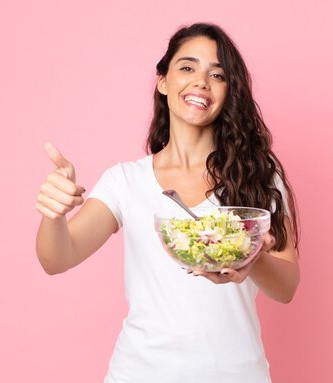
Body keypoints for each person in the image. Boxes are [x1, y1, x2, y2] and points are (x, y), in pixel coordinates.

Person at [35, 22, 300, 383]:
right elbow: (57, 259)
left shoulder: (260, 176)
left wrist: (249, 259)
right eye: (187, 67)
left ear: (228, 91)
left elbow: (286, 287)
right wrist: (54, 213)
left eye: (217, 74)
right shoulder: (125, 180)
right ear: (163, 81)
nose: (201, 82)